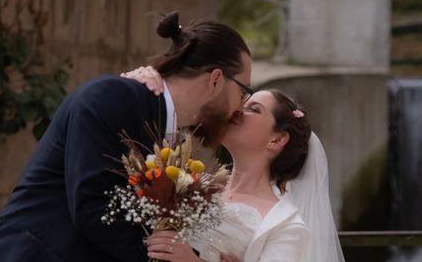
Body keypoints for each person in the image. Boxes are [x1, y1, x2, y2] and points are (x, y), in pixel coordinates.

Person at [0, 11, 252, 262]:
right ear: (215, 80)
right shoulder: (112, 97)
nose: (241, 107)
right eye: (243, 91)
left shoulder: (168, 134)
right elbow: (93, 209)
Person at [124, 69, 345, 262]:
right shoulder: (192, 182)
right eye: (243, 103)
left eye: (254, 109)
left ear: (276, 140)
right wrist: (145, 84)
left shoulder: (285, 226)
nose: (238, 109)